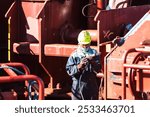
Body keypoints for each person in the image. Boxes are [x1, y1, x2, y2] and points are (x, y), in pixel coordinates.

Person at [66, 30, 101, 100]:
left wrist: (92, 61)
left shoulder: (94, 53)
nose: (85, 47)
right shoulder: (74, 55)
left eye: (87, 44)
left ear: (90, 43)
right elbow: (69, 70)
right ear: (79, 43)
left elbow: (99, 68)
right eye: (83, 45)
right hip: (77, 87)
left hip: (91, 87)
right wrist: (79, 66)